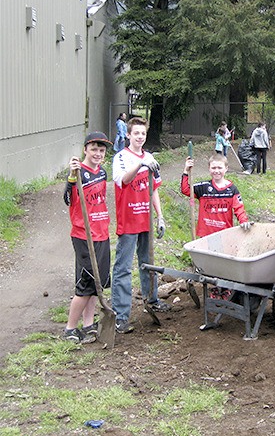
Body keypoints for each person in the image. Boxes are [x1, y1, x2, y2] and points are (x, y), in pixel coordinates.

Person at [111, 117, 171, 334]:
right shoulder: (120, 158)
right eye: (136, 133)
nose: (139, 137)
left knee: (148, 262)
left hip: (146, 219)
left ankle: (152, 299)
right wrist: (139, 164)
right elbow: (123, 181)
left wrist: (160, 216)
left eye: (143, 134)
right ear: (128, 135)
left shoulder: (150, 158)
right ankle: (120, 315)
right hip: (128, 219)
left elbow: (154, 188)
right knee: (123, 268)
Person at [62, 132, 112, 343]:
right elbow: (67, 198)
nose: (98, 154)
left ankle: (89, 323)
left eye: (101, 150)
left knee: (97, 283)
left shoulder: (102, 172)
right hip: (84, 235)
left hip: (102, 231)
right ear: (85, 150)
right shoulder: (78, 173)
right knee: (85, 282)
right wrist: (72, 176)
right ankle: (70, 328)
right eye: (94, 150)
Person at [181, 153, 252, 300]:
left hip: (225, 234)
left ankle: (225, 289)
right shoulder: (203, 187)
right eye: (213, 168)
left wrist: (243, 221)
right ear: (209, 169)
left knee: (225, 264)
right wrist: (186, 171)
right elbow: (186, 189)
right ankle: (214, 289)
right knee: (211, 265)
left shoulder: (232, 189)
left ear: (226, 169)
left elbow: (239, 208)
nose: (216, 171)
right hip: (207, 234)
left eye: (220, 167)